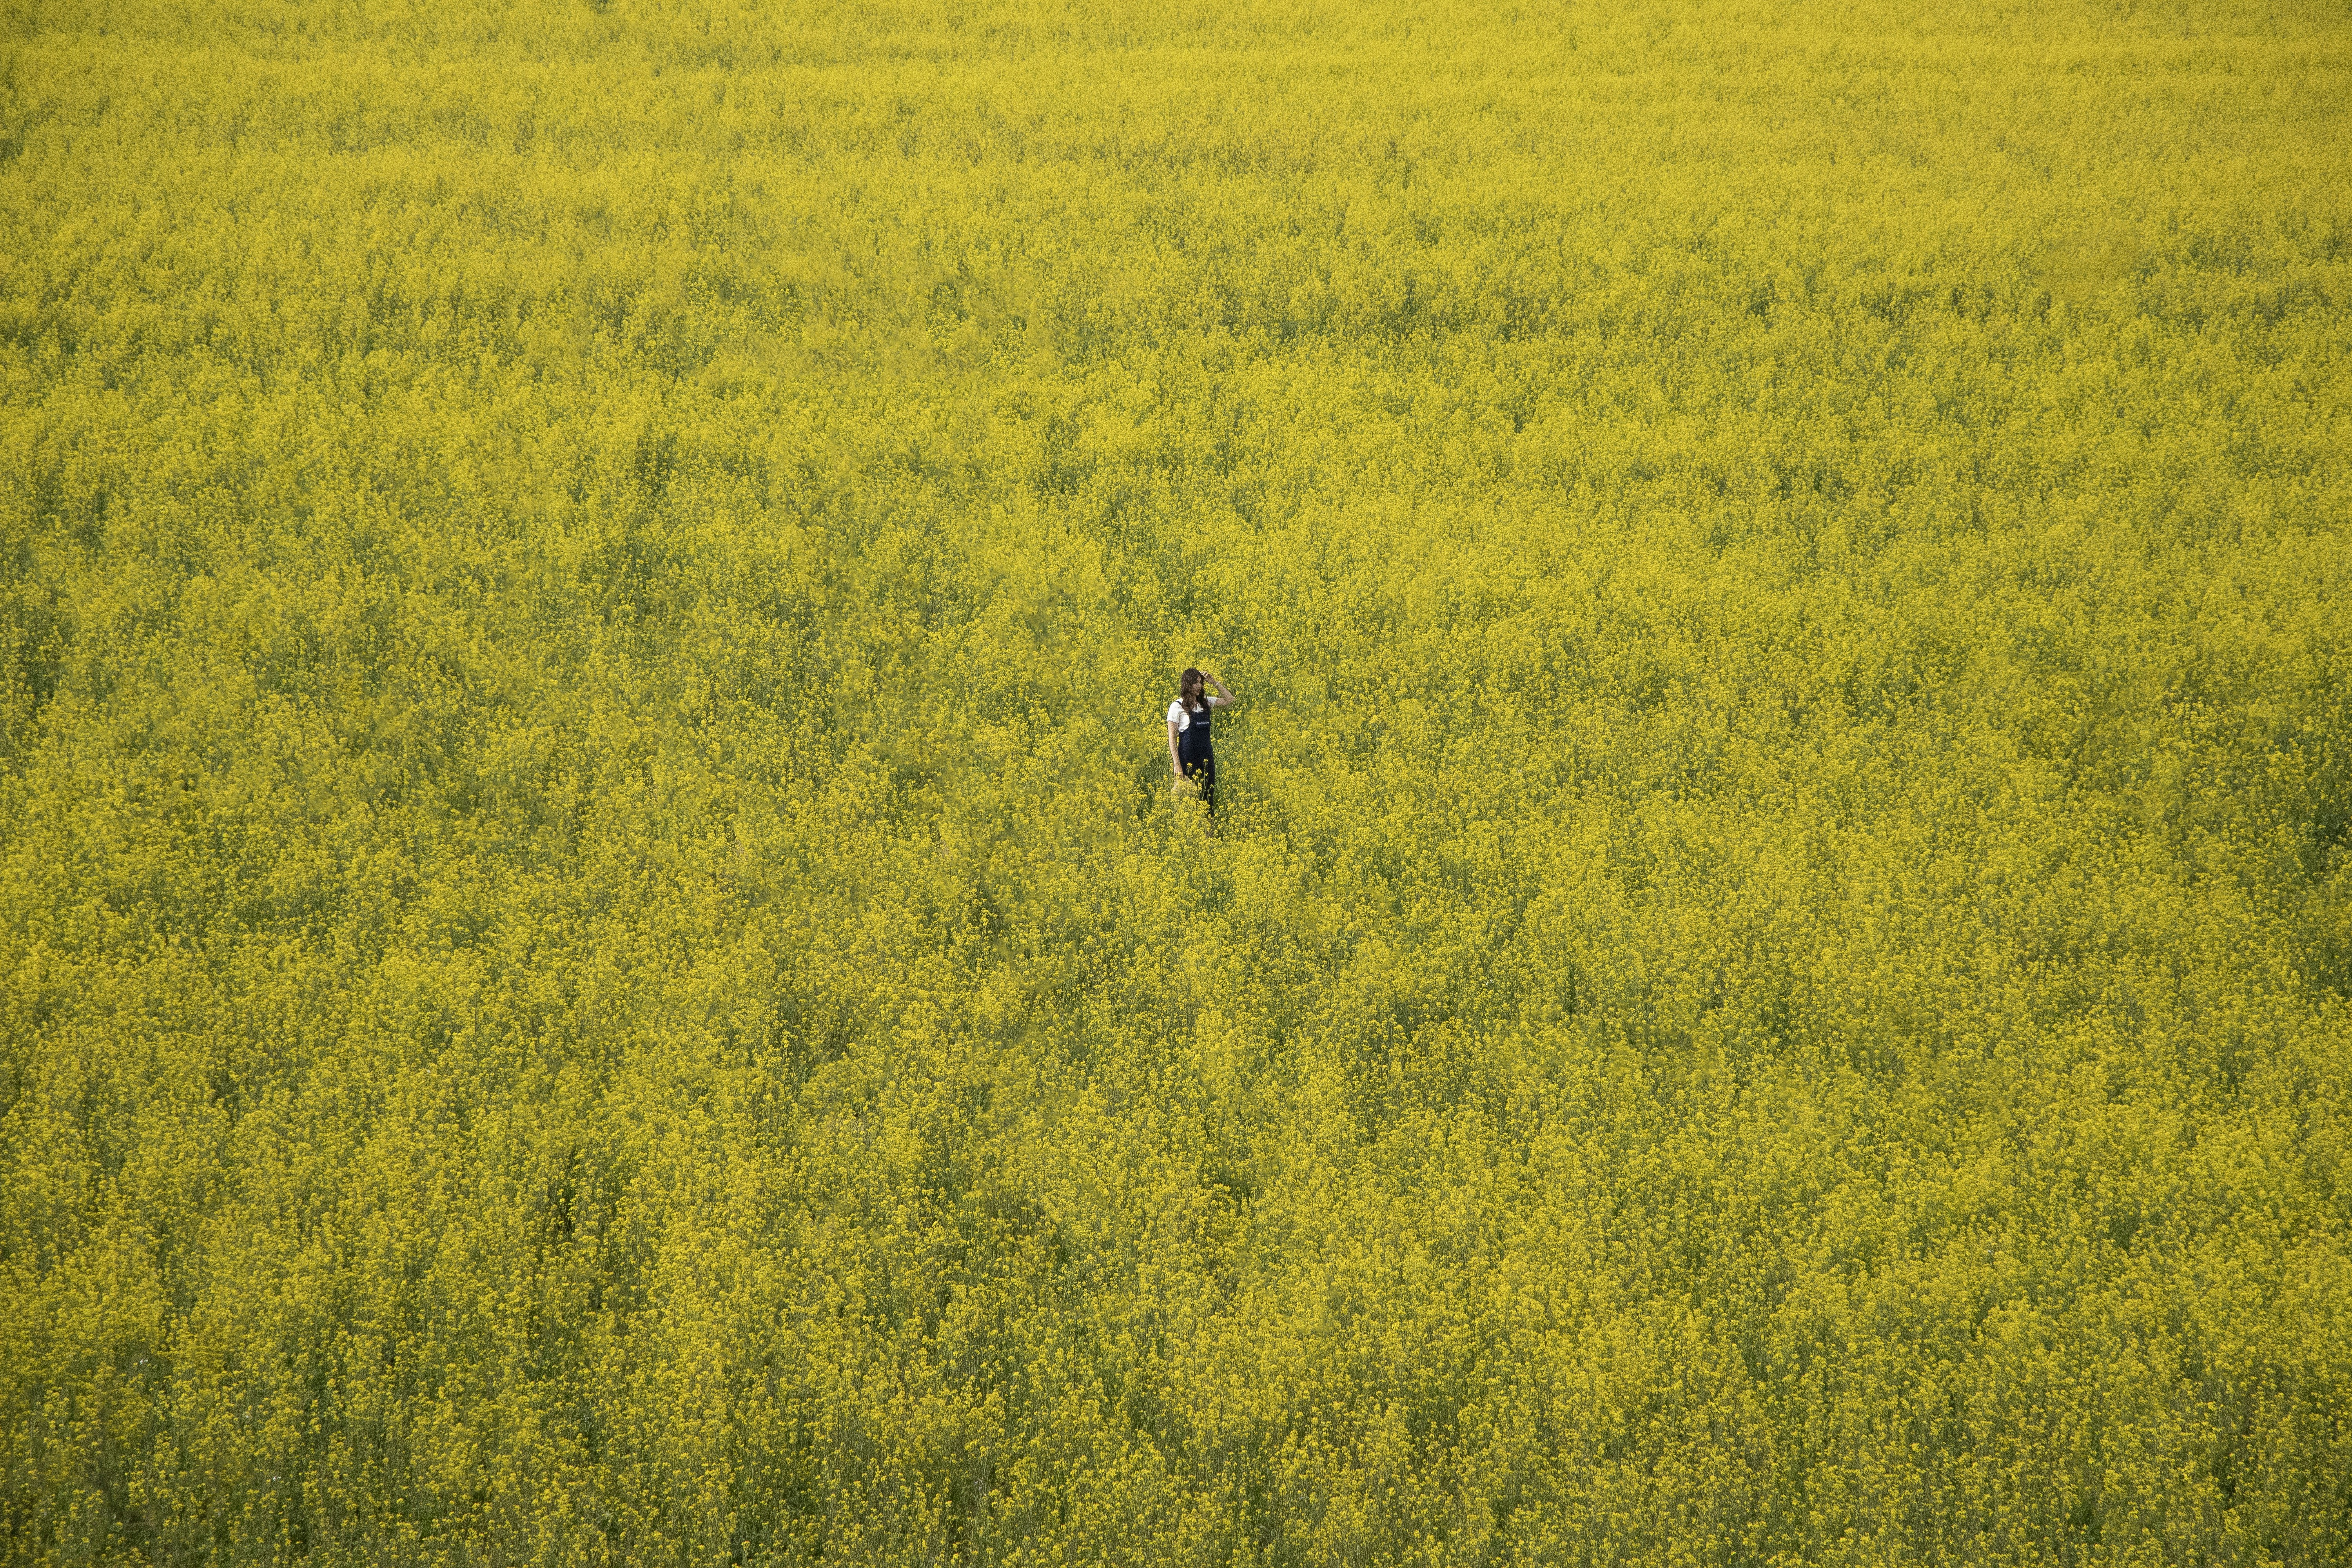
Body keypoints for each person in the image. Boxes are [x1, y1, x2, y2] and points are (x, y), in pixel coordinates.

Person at [1167, 666, 1235, 825]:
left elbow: (1230, 700)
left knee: (1208, 802)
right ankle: (1189, 837)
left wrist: (1215, 682)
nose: (1198, 686)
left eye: (1200, 683)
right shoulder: (1177, 707)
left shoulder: (1206, 703)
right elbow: (1172, 739)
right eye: (1194, 683)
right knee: (1188, 803)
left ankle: (1208, 839)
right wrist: (1177, 765)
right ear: (1187, 684)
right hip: (1188, 762)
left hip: (1207, 761)